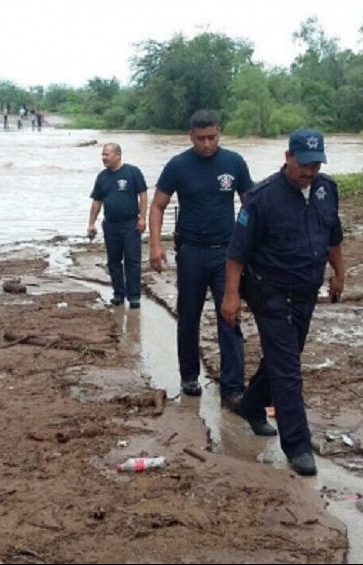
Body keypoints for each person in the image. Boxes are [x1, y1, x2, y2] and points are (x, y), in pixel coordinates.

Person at [221, 128, 345, 477]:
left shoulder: (327, 190)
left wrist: (339, 273)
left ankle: (250, 405)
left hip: (306, 291)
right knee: (288, 369)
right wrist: (231, 296)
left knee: (284, 358)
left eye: (316, 164)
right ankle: (298, 446)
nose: (310, 171)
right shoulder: (261, 198)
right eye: (304, 164)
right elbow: (236, 254)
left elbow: (333, 236)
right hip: (269, 292)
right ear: (288, 157)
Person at [149, 109, 253, 410]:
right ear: (190, 136)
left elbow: (252, 204)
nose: (207, 144)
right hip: (191, 251)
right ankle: (189, 377)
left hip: (227, 254)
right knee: (188, 315)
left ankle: (232, 388)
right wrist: (156, 245)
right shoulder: (178, 166)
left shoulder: (234, 163)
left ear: (219, 133)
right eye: (200, 139)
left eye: (212, 138)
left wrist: (253, 247)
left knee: (230, 317)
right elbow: (157, 206)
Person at [88, 143, 148, 308]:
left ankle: (134, 296)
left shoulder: (132, 172)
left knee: (132, 260)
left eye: (107, 154)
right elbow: (97, 201)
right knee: (113, 262)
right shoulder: (102, 177)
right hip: (110, 224)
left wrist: (143, 218)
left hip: (130, 224)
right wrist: (91, 223)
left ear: (118, 155)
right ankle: (118, 294)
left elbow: (143, 195)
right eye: (103, 155)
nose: (104, 158)